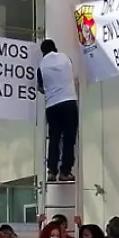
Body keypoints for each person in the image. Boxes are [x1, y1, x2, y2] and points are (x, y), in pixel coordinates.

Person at [37, 39, 79, 182]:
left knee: (54, 138)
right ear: (55, 48)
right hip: (69, 101)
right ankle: (65, 171)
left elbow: (41, 87)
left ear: (43, 52)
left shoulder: (41, 65)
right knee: (69, 138)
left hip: (52, 106)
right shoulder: (66, 58)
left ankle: (52, 171)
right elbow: (72, 75)